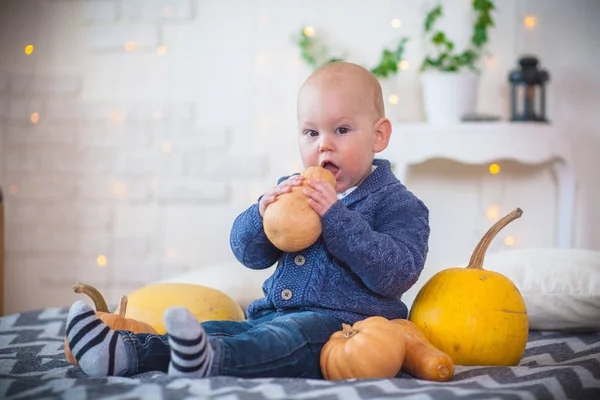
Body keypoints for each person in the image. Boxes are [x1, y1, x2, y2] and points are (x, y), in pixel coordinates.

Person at [64, 61, 430, 379]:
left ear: (378, 135)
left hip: (342, 328)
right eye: (311, 132)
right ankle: (125, 351)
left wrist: (336, 218)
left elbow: (397, 272)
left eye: (342, 130)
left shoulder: (399, 203)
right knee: (218, 330)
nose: (323, 144)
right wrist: (260, 213)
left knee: (286, 338)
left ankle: (213, 363)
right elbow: (248, 254)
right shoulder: (292, 191)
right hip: (269, 316)